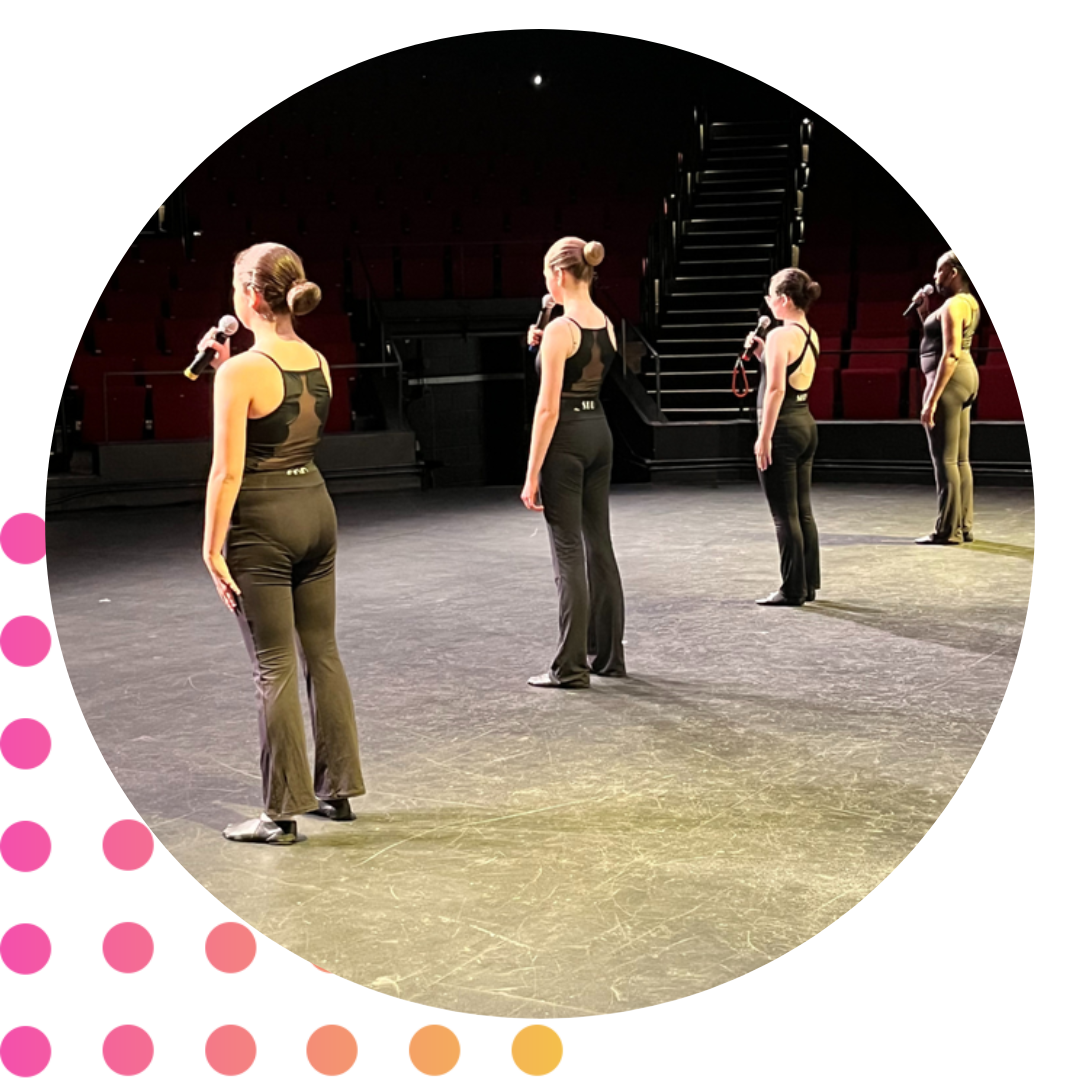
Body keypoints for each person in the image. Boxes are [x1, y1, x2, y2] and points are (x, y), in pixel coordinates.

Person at [200, 242, 365, 845]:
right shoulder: (317, 361)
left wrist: (211, 546)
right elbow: (285, 422)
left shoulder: (242, 370)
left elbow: (228, 472)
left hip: (263, 522)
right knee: (321, 651)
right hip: (315, 510)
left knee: (273, 665)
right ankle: (338, 792)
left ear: (249, 295)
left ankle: (280, 813)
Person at [521, 237, 626, 687]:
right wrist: (541, 347)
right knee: (598, 544)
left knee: (567, 553)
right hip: (599, 433)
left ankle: (569, 667)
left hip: (565, 441)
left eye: (547, 274)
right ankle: (608, 656)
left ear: (559, 275)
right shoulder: (606, 322)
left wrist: (530, 474)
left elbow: (547, 410)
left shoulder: (562, 330)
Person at [747, 268, 822, 607]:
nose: (768, 302)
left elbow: (776, 389)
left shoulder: (781, 335)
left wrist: (764, 437)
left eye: (770, 295)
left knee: (784, 514)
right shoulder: (809, 333)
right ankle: (808, 583)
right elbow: (790, 375)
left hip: (783, 429)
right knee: (802, 510)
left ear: (783, 300)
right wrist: (762, 353)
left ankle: (792, 588)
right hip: (805, 424)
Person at [910, 252, 981, 544]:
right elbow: (937, 339)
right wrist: (924, 312)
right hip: (965, 377)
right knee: (960, 459)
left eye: (939, 271)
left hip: (951, 380)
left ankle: (947, 530)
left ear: (953, 271)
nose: (934, 277)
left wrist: (931, 400)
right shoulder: (968, 302)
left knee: (945, 460)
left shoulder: (954, 304)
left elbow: (949, 353)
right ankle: (962, 525)